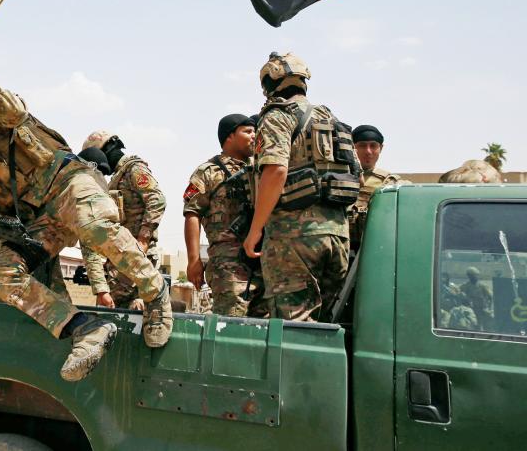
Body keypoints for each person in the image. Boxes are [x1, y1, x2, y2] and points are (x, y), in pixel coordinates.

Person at [0, 55, 172, 382]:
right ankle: (85, 330)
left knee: (92, 223)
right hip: (42, 220)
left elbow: (14, 110)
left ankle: (154, 292)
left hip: (67, 184)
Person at [243, 52, 357, 322]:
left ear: (270, 83)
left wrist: (255, 229)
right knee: (326, 324)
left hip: (293, 239)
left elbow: (275, 170)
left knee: (293, 327)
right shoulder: (331, 119)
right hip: (338, 237)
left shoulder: (278, 116)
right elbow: (355, 175)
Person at [183, 114, 268, 317]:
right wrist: (194, 260)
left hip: (261, 259)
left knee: (263, 325)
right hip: (228, 263)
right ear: (229, 136)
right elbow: (192, 213)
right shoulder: (209, 171)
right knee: (231, 322)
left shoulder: (261, 168)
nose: (254, 136)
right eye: (247, 131)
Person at [79, 131, 166, 310]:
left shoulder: (134, 169)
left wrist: (143, 238)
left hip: (136, 255)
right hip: (122, 256)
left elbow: (157, 199)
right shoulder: (117, 177)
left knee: (110, 312)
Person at [349, 125, 402, 249]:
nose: (368, 151)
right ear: (352, 147)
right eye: (362, 145)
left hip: (373, 248)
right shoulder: (340, 178)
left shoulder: (389, 182)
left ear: (381, 148)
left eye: (373, 146)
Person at [461, 266, 493, 331]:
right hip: (471, 310)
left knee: (482, 327)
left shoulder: (483, 286)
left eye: (474, 275)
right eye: (470, 275)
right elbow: (459, 293)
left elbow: (491, 297)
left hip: (482, 310)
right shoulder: (466, 286)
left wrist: (489, 308)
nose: (472, 277)